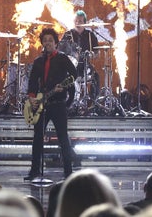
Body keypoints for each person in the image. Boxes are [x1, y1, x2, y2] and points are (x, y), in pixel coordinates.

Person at [24, 28, 78, 181]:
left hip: (58, 103)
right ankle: (34, 171)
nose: (47, 43)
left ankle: (68, 173)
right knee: (37, 138)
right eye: (45, 40)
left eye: (50, 40)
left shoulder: (62, 58)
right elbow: (33, 82)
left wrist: (65, 86)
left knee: (63, 138)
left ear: (56, 43)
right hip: (42, 104)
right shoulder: (38, 61)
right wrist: (32, 98)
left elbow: (74, 74)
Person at [63, 10, 100, 100]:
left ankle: (93, 102)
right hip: (70, 66)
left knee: (96, 76)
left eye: (80, 21)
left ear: (85, 23)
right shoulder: (68, 34)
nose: (77, 23)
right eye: (76, 21)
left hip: (85, 65)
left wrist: (92, 55)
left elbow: (97, 53)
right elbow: (60, 51)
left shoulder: (90, 35)